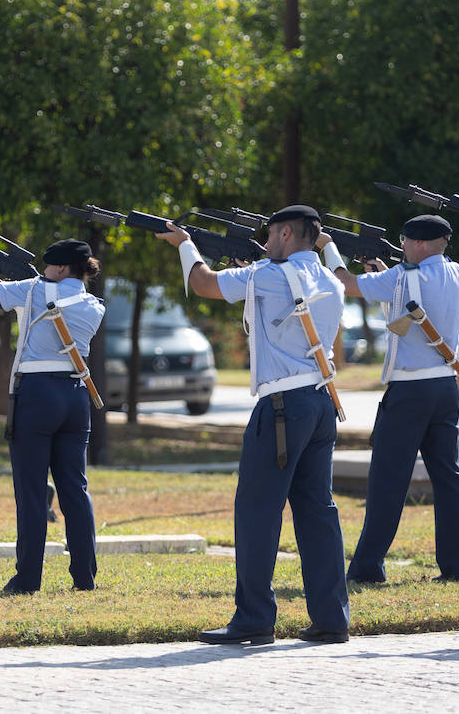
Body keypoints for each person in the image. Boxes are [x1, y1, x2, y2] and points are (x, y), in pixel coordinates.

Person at [157, 205, 350, 645]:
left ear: (285, 233)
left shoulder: (269, 274)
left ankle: (255, 617)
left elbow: (202, 283)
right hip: (321, 399)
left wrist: (186, 245)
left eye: (269, 235)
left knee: (257, 512)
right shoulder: (330, 280)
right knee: (318, 512)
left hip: (282, 403)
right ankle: (331, 617)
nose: (265, 242)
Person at [0, 237, 105, 595]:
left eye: (50, 265)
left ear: (62, 267)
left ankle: (27, 579)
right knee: (75, 489)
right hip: (75, 393)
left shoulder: (34, 290)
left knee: (32, 491)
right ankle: (85, 577)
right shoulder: (94, 305)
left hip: (36, 394)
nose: (45, 270)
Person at [327, 215, 459, 584]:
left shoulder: (401, 278)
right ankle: (458, 567)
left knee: (387, 480)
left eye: (406, 240)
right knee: (451, 477)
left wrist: (327, 246)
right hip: (445, 384)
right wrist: (386, 271)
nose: (402, 246)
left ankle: (367, 566)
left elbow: (345, 283)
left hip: (409, 390)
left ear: (421, 244)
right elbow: (410, 290)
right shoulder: (456, 273)